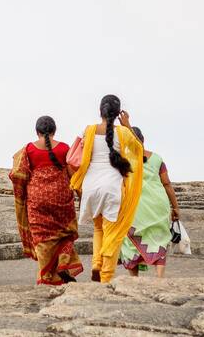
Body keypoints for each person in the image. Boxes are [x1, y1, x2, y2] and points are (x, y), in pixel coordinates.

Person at [67, 94, 145, 284]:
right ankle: (106, 276)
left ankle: (96, 264)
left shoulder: (89, 130)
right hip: (112, 186)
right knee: (113, 232)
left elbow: (73, 155)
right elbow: (139, 150)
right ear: (118, 113)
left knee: (98, 228)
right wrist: (127, 125)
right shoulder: (124, 133)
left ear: (99, 111)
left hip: (91, 186)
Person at [10, 116, 84, 285]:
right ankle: (63, 265)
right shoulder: (65, 148)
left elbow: (17, 175)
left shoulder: (28, 149)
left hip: (38, 200)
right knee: (65, 234)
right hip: (61, 198)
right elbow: (75, 173)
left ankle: (47, 276)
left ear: (37, 132)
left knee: (42, 238)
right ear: (54, 131)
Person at [120, 127, 180, 277]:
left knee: (129, 242)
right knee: (158, 239)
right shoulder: (157, 159)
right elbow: (167, 184)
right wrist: (175, 207)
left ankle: (134, 279)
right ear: (143, 140)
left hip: (134, 207)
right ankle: (160, 279)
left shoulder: (122, 161)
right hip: (158, 206)